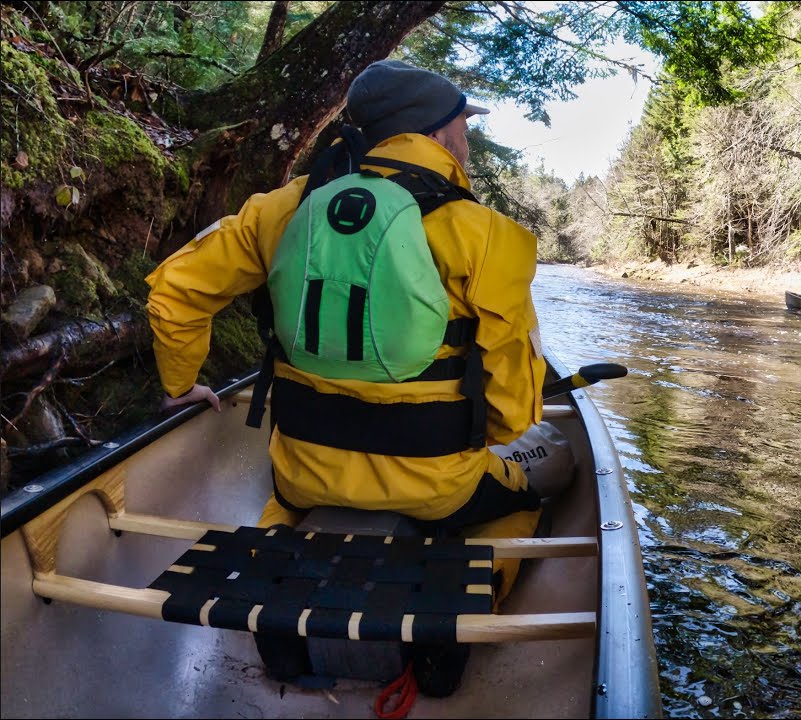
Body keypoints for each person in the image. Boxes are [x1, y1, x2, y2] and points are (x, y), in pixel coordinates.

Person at [144, 61, 555, 682]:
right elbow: (512, 415)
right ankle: (467, 604)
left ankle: (276, 580)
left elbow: (174, 291)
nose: (466, 140)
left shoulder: (281, 209)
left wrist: (181, 385)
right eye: (463, 127)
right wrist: (474, 437)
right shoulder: (487, 235)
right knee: (522, 498)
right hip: (436, 483)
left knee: (284, 500)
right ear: (440, 134)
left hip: (303, 472)